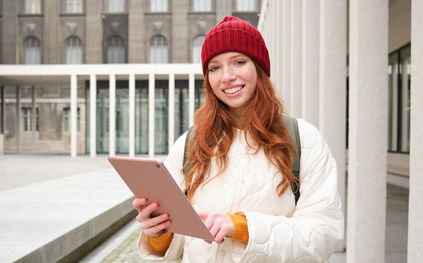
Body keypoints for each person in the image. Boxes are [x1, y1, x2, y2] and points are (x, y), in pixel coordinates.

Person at [132, 16, 344, 262]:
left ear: (259, 68)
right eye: (215, 67)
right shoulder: (190, 144)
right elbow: (181, 244)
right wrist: (159, 233)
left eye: (239, 62)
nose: (226, 76)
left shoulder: (303, 139)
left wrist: (243, 227)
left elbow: (324, 234)